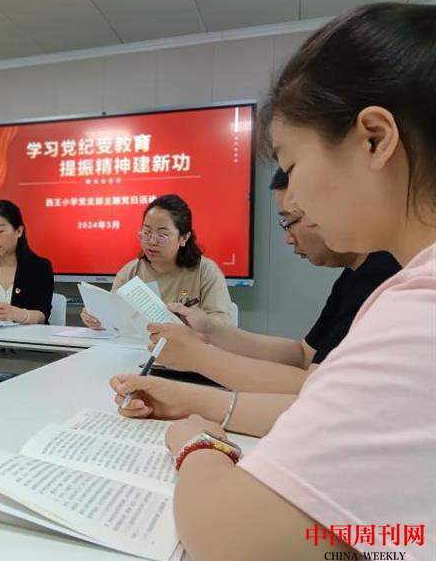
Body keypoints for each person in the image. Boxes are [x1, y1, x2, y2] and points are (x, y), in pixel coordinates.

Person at [113, 3, 436, 561]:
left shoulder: (418, 311)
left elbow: (237, 546)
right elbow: (390, 534)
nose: (296, 200)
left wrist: (197, 441)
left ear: (374, 139)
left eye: (293, 164)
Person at [151, 167, 399, 394]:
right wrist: (211, 331)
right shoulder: (353, 275)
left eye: (289, 221)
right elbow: (303, 354)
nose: (288, 238)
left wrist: (199, 359)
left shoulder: (383, 277)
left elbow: (311, 387)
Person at [81, 194, 231, 328]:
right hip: (139, 347)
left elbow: (222, 322)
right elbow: (114, 316)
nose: (152, 242)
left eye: (162, 235)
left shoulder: (205, 271)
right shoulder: (131, 271)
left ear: (184, 238)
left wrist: (195, 323)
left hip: (188, 347)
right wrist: (97, 317)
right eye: (146, 232)